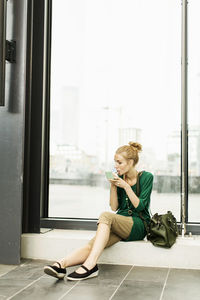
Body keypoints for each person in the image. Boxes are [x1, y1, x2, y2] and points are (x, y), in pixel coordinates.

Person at [44, 142, 154, 281]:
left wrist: (126, 186)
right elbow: (114, 208)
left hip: (139, 225)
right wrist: (113, 186)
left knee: (105, 216)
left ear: (131, 162)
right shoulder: (120, 179)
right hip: (122, 223)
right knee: (94, 244)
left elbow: (140, 206)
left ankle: (90, 265)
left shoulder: (147, 177)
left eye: (119, 162)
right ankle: (60, 265)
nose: (116, 165)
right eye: (115, 162)